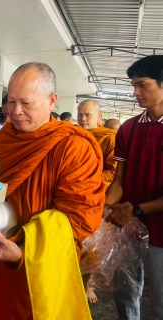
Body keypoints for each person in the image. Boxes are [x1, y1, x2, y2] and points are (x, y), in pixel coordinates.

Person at [0, 62, 105, 320]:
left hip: (33, 267)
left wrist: (22, 251)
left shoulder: (73, 147)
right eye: (11, 102)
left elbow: (79, 220)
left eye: (26, 103)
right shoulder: (3, 138)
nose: (15, 112)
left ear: (52, 100)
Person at [105, 55, 163, 320]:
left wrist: (136, 210)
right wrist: (102, 208)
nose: (136, 93)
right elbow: (118, 182)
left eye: (143, 85)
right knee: (126, 293)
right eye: (134, 86)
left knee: (160, 300)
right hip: (129, 229)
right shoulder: (128, 129)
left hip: (160, 233)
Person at [77, 99, 117, 187]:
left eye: (88, 115)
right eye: (80, 114)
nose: (83, 119)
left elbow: (113, 171)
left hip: (94, 186)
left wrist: (86, 180)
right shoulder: (73, 133)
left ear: (99, 116)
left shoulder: (109, 138)